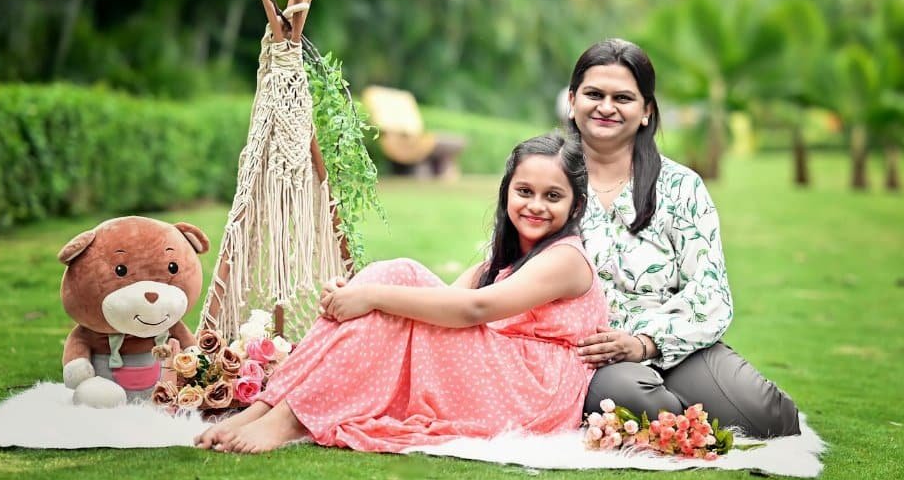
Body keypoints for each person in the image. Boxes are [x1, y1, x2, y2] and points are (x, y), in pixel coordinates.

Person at [195, 132, 608, 453]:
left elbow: (473, 308)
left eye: (552, 196)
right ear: (507, 193)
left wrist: (371, 296)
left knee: (401, 275)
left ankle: (287, 417)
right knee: (396, 280)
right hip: (505, 375)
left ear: (575, 205)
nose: (536, 205)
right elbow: (439, 304)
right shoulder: (506, 256)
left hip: (533, 393)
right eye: (525, 192)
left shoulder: (566, 258)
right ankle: (267, 408)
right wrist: (357, 294)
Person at [566, 38, 800, 438]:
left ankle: (685, 412)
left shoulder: (680, 186)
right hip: (595, 355)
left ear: (646, 112)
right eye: (594, 94)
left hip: (672, 340)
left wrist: (644, 342)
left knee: (769, 417)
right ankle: (683, 422)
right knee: (635, 398)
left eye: (622, 97)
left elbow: (711, 293)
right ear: (572, 101)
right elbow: (506, 264)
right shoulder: (548, 179)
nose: (606, 107)